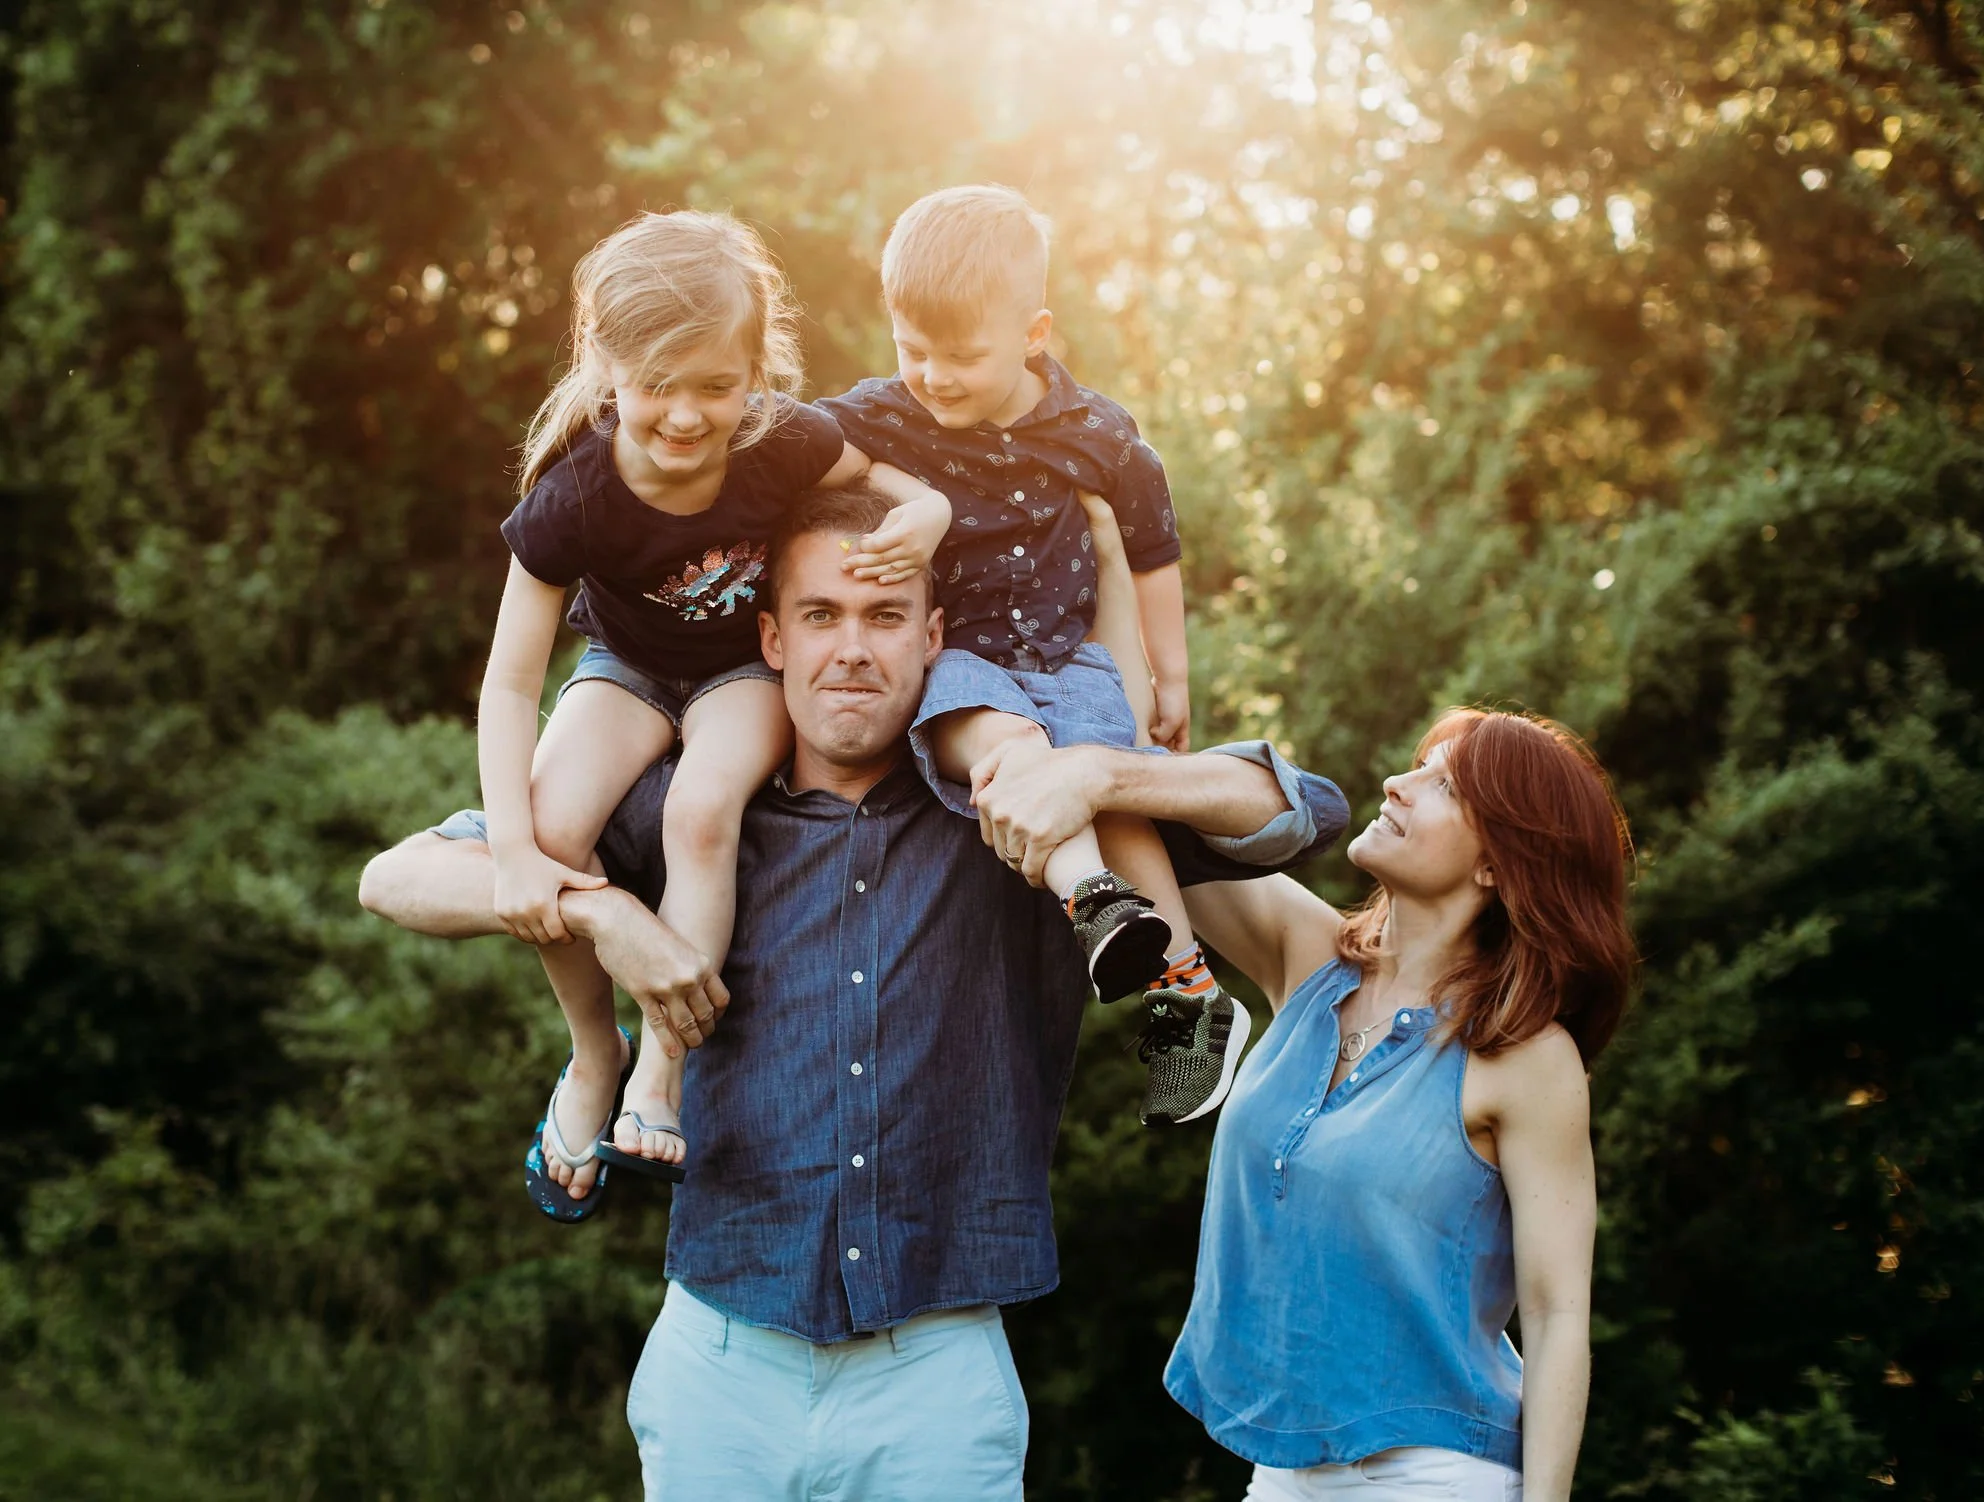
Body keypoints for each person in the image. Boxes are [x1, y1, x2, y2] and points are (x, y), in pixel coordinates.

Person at [356, 481, 1350, 1500]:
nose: (852, 649)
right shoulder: (681, 808)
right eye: (822, 615)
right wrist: (607, 916)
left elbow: (1302, 808)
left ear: (933, 635)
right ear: (772, 638)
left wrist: (1097, 776)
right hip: (719, 1363)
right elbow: (394, 878)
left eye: (882, 617)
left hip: (937, 1373)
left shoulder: (1019, 816)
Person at [973, 708, 1636, 1502]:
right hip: (1284, 1473)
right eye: (1417, 763)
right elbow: (1147, 818)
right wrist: (1075, 758)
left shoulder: (1526, 1054)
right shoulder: (1311, 959)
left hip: (1434, 1471)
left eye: (1443, 784)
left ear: (1498, 862)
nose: (1397, 782)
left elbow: (1558, 1311)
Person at [479, 209, 949, 1215]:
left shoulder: (777, 442)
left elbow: (884, 480)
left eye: (716, 385)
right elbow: (511, 682)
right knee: (557, 827)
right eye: (657, 386)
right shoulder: (573, 496)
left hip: (741, 668)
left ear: (754, 371)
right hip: (626, 668)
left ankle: (661, 1071)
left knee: (701, 812)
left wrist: (930, 513)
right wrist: (515, 849)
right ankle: (593, 1051)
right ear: (608, 369)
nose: (688, 416)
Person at [817, 184, 1247, 1128]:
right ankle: (1095, 899)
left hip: (1072, 656)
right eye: (911, 348)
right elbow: (793, 447)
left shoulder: (1097, 431)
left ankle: (1187, 995)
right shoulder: (885, 418)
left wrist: (1172, 677)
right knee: (990, 735)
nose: (931, 374)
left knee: (1112, 783)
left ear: (1033, 333)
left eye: (961, 355)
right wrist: (902, 488)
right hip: (964, 656)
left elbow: (1151, 547)